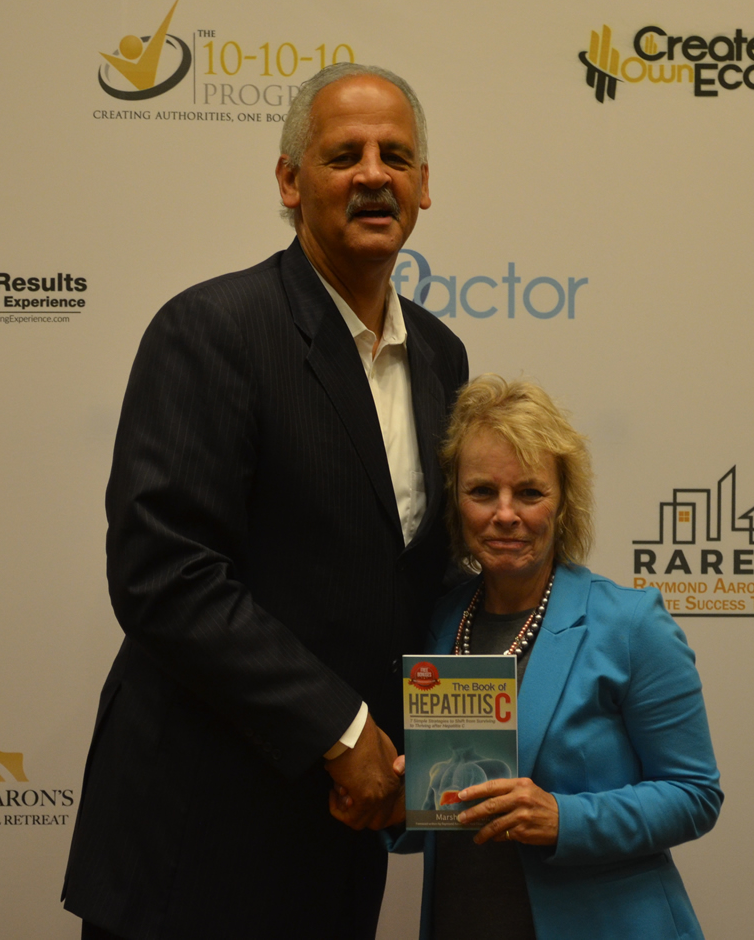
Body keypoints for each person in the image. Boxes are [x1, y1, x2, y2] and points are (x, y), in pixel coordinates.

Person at [62, 63, 469, 940]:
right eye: (344, 155)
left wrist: (438, 753)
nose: (374, 175)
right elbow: (165, 575)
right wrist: (344, 733)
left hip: (343, 831)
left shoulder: (442, 356)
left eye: (396, 156)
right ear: (290, 181)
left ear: (425, 186)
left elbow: (422, 579)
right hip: (198, 833)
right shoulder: (213, 330)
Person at [392, 376, 722, 940]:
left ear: (563, 501)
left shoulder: (629, 624)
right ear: (455, 501)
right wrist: (400, 801)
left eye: (529, 492)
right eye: (482, 492)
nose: (505, 514)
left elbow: (695, 794)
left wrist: (564, 819)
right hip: (463, 920)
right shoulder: (441, 622)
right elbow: (445, 805)